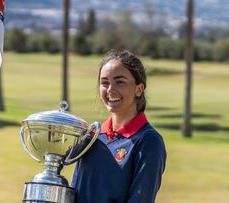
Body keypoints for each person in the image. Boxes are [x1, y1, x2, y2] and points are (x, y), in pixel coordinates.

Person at [71, 49, 166, 203]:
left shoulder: (149, 141)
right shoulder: (92, 136)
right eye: (104, 82)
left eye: (120, 82)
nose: (110, 89)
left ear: (139, 89)